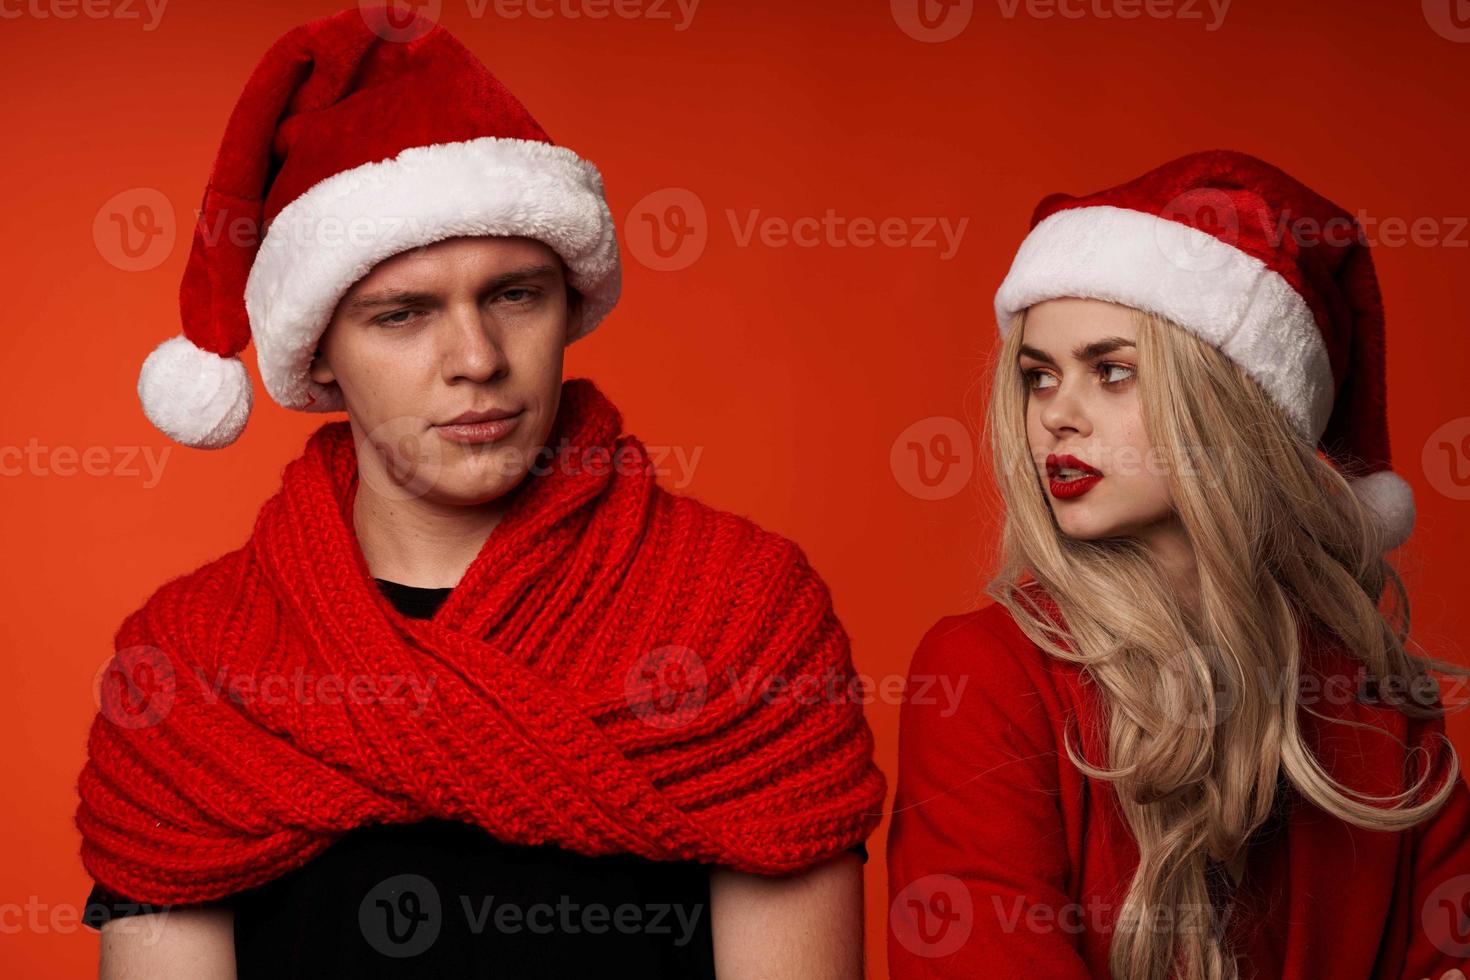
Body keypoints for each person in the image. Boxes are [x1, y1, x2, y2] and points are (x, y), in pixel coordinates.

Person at [76, 7, 884, 978]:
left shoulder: (745, 613)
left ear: (569, 305)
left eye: (514, 294)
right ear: (318, 359)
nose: (477, 359)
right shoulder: (188, 667)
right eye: (403, 314)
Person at [886, 149, 1470, 979]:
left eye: (1112, 371)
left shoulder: (1378, 702)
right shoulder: (985, 676)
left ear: (1232, 405)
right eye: (1038, 376)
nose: (1057, 415)